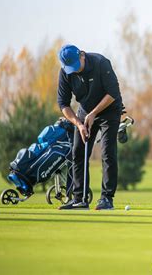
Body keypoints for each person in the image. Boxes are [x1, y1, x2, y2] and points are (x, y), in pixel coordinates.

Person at [57, 44, 124, 210]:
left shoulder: (100, 63)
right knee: (78, 152)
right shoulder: (66, 73)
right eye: (70, 68)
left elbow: (113, 93)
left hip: (109, 109)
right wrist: (78, 124)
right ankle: (79, 198)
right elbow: (63, 104)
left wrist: (94, 114)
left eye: (75, 65)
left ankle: (106, 198)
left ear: (82, 55)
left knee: (107, 152)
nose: (74, 71)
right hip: (85, 112)